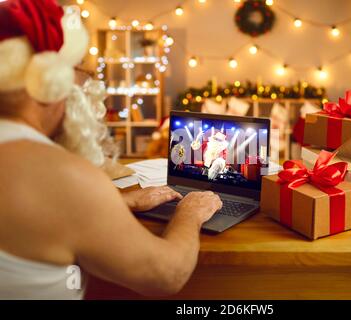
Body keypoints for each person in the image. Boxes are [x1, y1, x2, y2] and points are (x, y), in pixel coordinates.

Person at [0, 0, 222, 299]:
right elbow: (166, 274)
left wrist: (120, 202)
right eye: (76, 74)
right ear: (52, 83)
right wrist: (190, 212)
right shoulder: (63, 177)